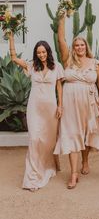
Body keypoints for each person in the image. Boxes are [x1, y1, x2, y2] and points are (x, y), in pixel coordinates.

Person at [53, 15, 99, 189]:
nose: (79, 47)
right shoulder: (68, 59)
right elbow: (60, 38)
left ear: (86, 46)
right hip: (70, 102)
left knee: (86, 133)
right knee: (72, 134)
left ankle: (85, 161)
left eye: (82, 45)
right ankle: (74, 174)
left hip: (89, 101)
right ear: (73, 48)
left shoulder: (95, 63)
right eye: (76, 45)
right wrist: (62, 17)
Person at [8, 32, 64, 191]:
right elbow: (13, 58)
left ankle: (51, 163)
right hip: (35, 108)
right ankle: (32, 177)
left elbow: (59, 87)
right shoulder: (32, 65)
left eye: (43, 52)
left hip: (51, 109)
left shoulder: (57, 66)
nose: (41, 55)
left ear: (48, 52)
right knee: (34, 140)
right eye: (38, 52)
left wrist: (60, 106)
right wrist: (12, 38)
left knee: (48, 141)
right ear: (36, 54)